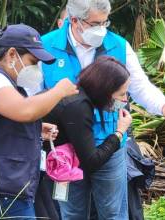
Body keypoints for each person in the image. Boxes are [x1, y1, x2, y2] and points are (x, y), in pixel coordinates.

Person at [40, 0, 165, 219]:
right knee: (72, 213)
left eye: (106, 22)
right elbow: (32, 95)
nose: (102, 30)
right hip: (67, 147)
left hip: (110, 143)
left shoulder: (118, 44)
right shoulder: (46, 46)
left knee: (113, 213)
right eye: (96, 23)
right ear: (74, 20)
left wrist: (163, 105)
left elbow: (140, 87)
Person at [0, 23, 78, 219]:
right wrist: (58, 91)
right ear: (12, 54)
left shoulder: (6, 81)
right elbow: (25, 110)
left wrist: (34, 129)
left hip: (2, 188)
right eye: (33, 62)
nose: (37, 69)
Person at [43, 56, 132, 219]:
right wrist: (119, 133)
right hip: (62, 162)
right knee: (74, 214)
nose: (125, 100)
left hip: (69, 159)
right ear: (105, 91)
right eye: (122, 94)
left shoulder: (80, 95)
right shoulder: (78, 106)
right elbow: (91, 162)